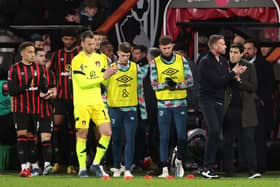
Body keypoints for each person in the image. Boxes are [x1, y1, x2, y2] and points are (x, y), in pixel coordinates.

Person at [198, 35, 247, 179]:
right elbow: (217, 82)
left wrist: (236, 77)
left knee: (216, 133)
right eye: (223, 44)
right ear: (214, 46)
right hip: (208, 101)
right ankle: (206, 167)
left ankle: (210, 167)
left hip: (219, 101)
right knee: (213, 130)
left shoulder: (223, 61)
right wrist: (233, 74)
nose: (226, 46)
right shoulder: (205, 62)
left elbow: (225, 81)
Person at [71, 30, 117, 178]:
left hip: (97, 102)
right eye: (89, 44)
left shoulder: (101, 58)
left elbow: (104, 82)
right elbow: (83, 83)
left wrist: (110, 74)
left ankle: (96, 163)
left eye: (94, 43)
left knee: (107, 132)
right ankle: (82, 168)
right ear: (82, 43)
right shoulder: (77, 60)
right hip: (82, 103)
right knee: (82, 135)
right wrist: (103, 75)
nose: (92, 46)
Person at [150, 35, 193, 178]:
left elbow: (190, 81)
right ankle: (164, 168)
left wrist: (177, 85)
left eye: (168, 48)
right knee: (164, 137)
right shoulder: (155, 63)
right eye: (164, 48)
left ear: (172, 46)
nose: (167, 51)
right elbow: (154, 85)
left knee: (181, 136)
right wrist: (166, 85)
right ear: (160, 47)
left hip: (180, 103)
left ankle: (179, 160)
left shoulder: (181, 60)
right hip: (163, 105)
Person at [105, 42, 147, 178]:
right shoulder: (111, 68)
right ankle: (117, 167)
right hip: (115, 108)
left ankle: (128, 168)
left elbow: (140, 90)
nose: (125, 58)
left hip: (130, 108)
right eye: (123, 55)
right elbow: (104, 90)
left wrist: (143, 110)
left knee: (130, 139)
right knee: (116, 140)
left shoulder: (135, 68)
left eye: (127, 55)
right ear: (118, 53)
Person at [8, 41, 48, 177]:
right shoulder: (14, 69)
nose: (32, 55)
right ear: (22, 54)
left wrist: (44, 84)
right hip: (20, 108)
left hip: (36, 108)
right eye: (29, 52)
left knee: (32, 138)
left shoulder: (39, 68)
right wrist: (26, 83)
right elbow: (12, 91)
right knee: (22, 135)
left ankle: (33, 165)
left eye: (33, 52)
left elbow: (44, 89)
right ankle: (24, 167)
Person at [223, 43, 261, 179]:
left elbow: (254, 86)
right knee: (228, 141)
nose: (232, 55)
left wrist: (239, 81)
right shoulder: (224, 66)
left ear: (241, 54)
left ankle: (253, 170)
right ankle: (229, 170)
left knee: (248, 140)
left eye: (235, 52)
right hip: (228, 110)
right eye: (231, 52)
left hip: (246, 110)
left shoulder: (249, 67)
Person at [48, 29, 79, 174]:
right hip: (60, 98)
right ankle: (57, 161)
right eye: (65, 39)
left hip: (76, 99)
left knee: (75, 131)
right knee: (56, 128)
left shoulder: (79, 55)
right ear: (62, 40)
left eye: (70, 39)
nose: (68, 41)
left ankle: (72, 164)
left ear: (74, 40)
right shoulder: (57, 55)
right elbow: (48, 72)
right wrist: (51, 87)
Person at [243, 40, 276, 172]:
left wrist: (261, 99)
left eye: (249, 49)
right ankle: (244, 165)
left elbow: (271, 85)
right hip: (244, 106)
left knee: (259, 136)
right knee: (245, 136)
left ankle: (260, 165)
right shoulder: (239, 65)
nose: (246, 51)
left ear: (255, 50)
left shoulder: (265, 65)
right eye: (245, 49)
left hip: (259, 107)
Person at [29, 48, 57, 176]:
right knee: (33, 140)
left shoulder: (50, 73)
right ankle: (34, 166)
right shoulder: (26, 72)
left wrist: (50, 94)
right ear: (33, 57)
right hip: (31, 111)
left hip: (46, 110)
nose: (43, 58)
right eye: (40, 55)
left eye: (44, 55)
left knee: (46, 139)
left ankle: (47, 165)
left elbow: (55, 91)